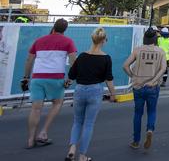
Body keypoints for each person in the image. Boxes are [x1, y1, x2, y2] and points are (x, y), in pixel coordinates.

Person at [22, 18, 77, 149]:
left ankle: (30, 139)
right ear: (65, 29)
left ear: (53, 27)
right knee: (57, 103)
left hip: (37, 77)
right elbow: (74, 60)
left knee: (35, 108)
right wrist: (70, 78)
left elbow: (29, 59)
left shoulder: (39, 40)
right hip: (56, 77)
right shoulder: (68, 42)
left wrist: (26, 77)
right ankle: (43, 132)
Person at [65, 27, 116, 161]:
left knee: (77, 122)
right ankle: (82, 156)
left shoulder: (81, 56)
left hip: (80, 90)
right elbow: (108, 79)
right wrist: (113, 94)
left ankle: (72, 149)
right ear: (104, 40)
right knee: (88, 124)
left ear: (92, 39)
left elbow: (72, 75)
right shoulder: (106, 58)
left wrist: (67, 83)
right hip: (95, 91)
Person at [123, 28, 167, 150]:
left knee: (138, 114)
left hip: (138, 87)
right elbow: (163, 69)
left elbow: (125, 65)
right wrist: (154, 80)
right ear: (155, 39)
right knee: (152, 111)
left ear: (144, 39)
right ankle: (150, 129)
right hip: (153, 87)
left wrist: (133, 76)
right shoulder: (161, 51)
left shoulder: (137, 50)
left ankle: (136, 141)